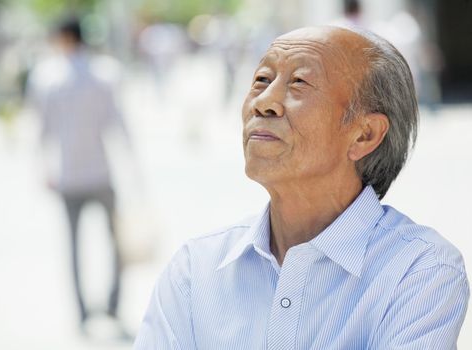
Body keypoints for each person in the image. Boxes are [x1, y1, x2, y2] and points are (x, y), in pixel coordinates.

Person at [134, 26, 469, 349]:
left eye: (299, 83)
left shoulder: (419, 270)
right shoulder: (196, 269)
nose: (263, 102)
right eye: (261, 80)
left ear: (364, 134)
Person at [27, 18, 127, 334]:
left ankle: (82, 312)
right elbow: (120, 125)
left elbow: (40, 130)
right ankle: (112, 303)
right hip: (101, 172)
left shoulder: (46, 77)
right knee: (116, 244)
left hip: (67, 175)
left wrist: (43, 168)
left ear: (63, 38)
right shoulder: (105, 74)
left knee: (73, 248)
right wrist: (134, 172)